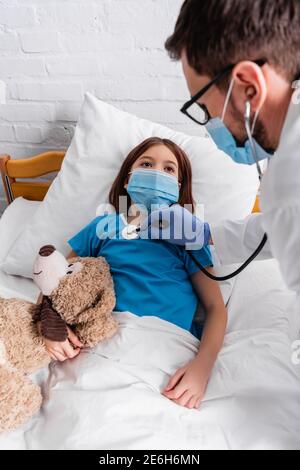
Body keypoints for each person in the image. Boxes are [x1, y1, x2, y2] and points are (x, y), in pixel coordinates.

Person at [39, 137, 227, 410]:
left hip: (165, 345)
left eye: (168, 169)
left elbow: (216, 308)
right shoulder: (104, 226)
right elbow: (52, 280)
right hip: (101, 339)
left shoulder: (190, 234)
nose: (156, 172)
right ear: (127, 180)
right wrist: (51, 327)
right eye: (147, 164)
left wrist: (202, 366)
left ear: (178, 188)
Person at [141, 0, 300, 316]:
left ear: (249, 88)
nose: (208, 120)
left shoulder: (289, 174)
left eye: (202, 106)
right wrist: (205, 234)